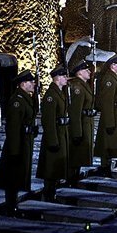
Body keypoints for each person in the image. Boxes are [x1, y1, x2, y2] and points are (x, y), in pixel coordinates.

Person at [0, 70, 37, 215]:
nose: (34, 84)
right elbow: (13, 127)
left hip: (24, 141)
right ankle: (10, 206)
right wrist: (14, 150)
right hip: (17, 144)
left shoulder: (25, 98)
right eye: (31, 82)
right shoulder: (17, 101)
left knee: (18, 175)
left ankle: (13, 205)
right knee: (13, 175)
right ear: (22, 84)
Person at [36, 66, 70, 202]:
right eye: (64, 76)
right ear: (57, 78)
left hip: (61, 133)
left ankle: (52, 193)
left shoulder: (60, 93)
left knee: (56, 167)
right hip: (54, 134)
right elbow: (48, 120)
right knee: (50, 168)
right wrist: (53, 140)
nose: (66, 79)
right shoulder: (51, 95)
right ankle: (48, 194)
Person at [94, 54, 117, 175]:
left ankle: (107, 165)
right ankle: (104, 166)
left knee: (111, 142)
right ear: (112, 66)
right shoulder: (109, 80)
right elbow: (107, 102)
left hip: (115, 114)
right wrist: (110, 121)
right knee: (107, 142)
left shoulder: (114, 77)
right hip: (110, 115)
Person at [67, 60, 95, 186]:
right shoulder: (77, 87)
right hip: (80, 123)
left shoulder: (83, 85)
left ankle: (75, 175)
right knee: (76, 153)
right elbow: (75, 111)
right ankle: (71, 178)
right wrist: (77, 131)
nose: (89, 71)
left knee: (80, 153)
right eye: (86, 70)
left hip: (86, 122)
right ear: (79, 72)